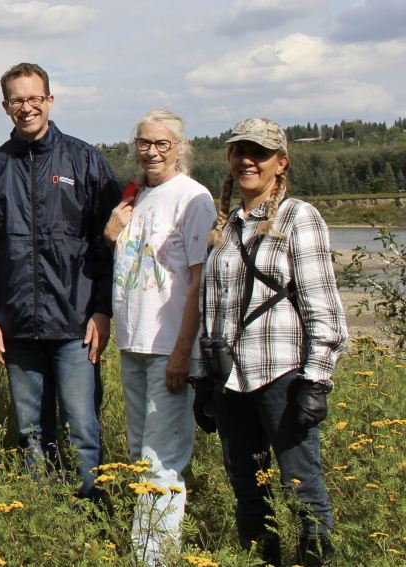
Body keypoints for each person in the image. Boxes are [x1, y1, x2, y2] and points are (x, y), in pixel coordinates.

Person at [0, 62, 121, 500]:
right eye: (17, 100)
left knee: (84, 430)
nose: (27, 107)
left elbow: (110, 243)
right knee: (33, 434)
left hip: (76, 324)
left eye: (35, 98)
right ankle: (44, 520)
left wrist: (103, 309)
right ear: (5, 106)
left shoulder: (85, 160)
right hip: (17, 327)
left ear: (50, 100)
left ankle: (93, 517)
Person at [194, 118, 347, 566]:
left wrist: (316, 380)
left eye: (258, 153)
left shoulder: (299, 217)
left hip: (282, 376)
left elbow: (324, 307)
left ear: (281, 163)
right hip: (231, 383)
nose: (247, 161)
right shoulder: (226, 226)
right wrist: (203, 380)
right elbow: (213, 309)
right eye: (239, 151)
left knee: (301, 487)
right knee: (247, 487)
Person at [103, 108, 216, 564]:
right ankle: (145, 546)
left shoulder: (193, 198)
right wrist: (111, 235)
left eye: (162, 144)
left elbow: (199, 280)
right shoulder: (136, 199)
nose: (152, 152)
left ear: (180, 149)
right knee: (138, 455)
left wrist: (183, 353)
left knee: (160, 459)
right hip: (134, 344)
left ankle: (153, 557)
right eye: (144, 143)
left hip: (170, 347)